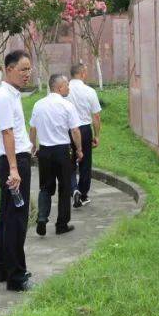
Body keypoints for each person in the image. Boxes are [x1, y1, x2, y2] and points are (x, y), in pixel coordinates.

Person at [0, 50, 34, 291]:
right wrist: (15, 169)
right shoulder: (4, 96)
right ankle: (16, 277)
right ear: (9, 69)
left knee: (7, 216)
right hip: (13, 163)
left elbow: (15, 130)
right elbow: (7, 132)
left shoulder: (11, 94)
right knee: (17, 219)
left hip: (15, 159)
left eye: (29, 69)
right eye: (23, 69)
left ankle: (3, 268)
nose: (27, 74)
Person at [29, 74, 83, 236]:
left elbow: (32, 129)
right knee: (65, 187)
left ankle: (42, 218)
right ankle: (61, 225)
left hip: (44, 151)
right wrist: (79, 149)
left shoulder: (38, 105)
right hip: (62, 151)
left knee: (45, 187)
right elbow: (75, 130)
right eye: (66, 85)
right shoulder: (67, 105)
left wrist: (33, 146)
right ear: (59, 87)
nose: (68, 87)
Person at [68, 62, 102, 208]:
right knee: (85, 163)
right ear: (82, 73)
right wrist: (97, 135)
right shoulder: (89, 91)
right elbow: (96, 116)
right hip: (84, 129)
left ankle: (73, 188)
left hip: (68, 130)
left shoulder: (63, 90)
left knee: (69, 162)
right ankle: (83, 194)